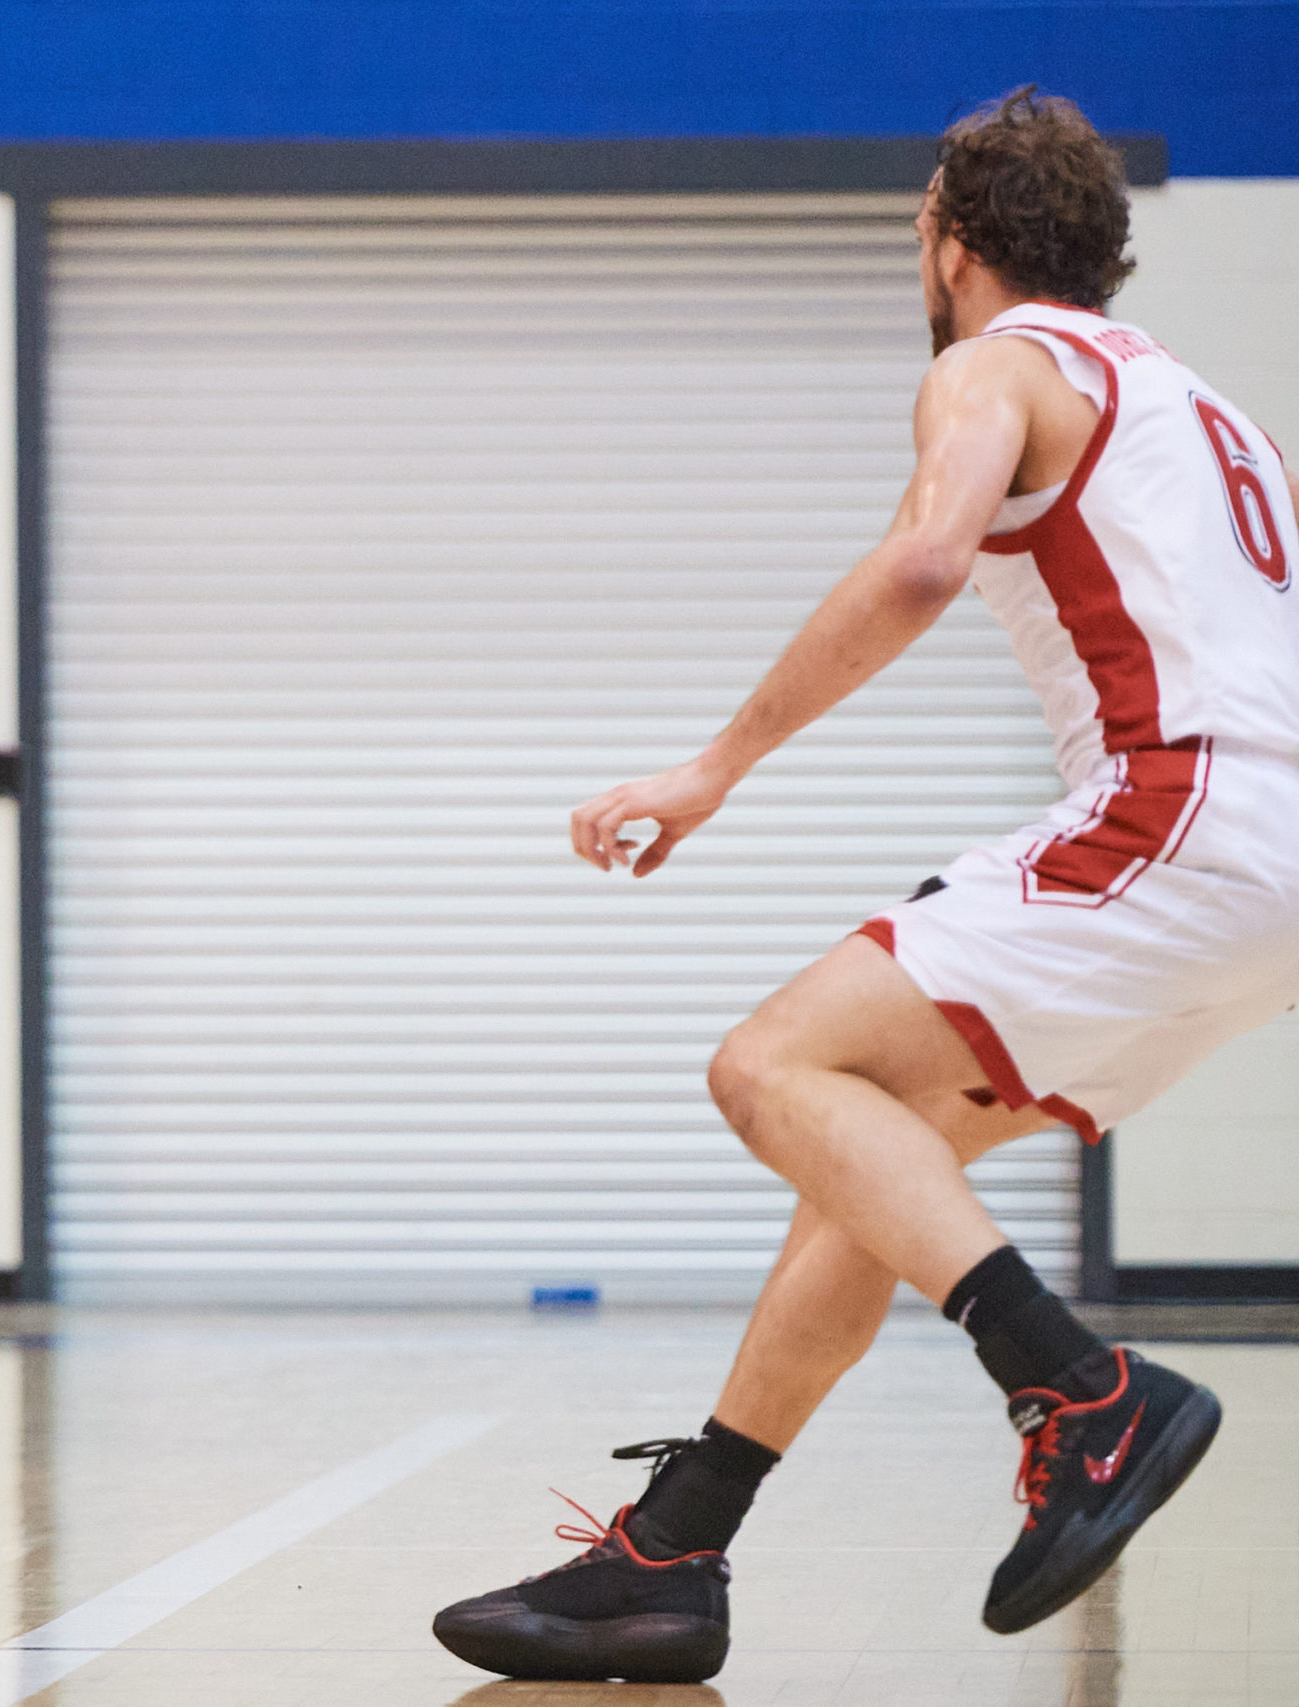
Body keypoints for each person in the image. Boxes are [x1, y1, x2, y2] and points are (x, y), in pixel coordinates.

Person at [433, 89, 1299, 1682]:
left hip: (1178, 812)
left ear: (952, 243)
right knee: (885, 1151)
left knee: (770, 1063)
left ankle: (1082, 1396)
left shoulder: (994, 362)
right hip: (1271, 878)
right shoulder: (1212, 411)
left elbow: (921, 559)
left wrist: (713, 765)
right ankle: (675, 1554)